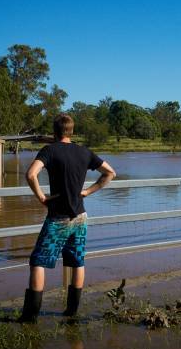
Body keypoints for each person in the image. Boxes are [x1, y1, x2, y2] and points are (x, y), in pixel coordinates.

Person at [18, 113, 116, 323]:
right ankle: (71, 312)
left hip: (58, 218)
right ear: (71, 131)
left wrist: (42, 197)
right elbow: (110, 173)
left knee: (38, 261)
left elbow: (30, 174)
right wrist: (88, 192)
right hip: (80, 216)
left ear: (54, 131)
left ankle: (29, 317)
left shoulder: (49, 151)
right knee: (77, 261)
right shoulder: (84, 152)